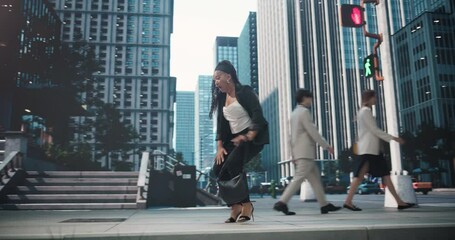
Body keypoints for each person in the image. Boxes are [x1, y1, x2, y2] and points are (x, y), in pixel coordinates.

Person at [210, 60, 269, 223]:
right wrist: (220, 147)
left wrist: (249, 135)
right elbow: (221, 125)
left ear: (228, 77)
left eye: (218, 78)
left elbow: (257, 114)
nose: (216, 82)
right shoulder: (222, 98)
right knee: (218, 168)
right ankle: (235, 206)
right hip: (234, 140)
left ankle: (247, 205)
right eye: (214, 79)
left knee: (234, 164)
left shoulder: (245, 92)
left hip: (251, 136)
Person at [343, 90, 415, 211]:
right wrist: (393, 138)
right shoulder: (366, 111)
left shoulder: (363, 111)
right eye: (374, 97)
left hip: (370, 150)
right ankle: (348, 201)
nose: (376, 99)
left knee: (380, 175)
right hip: (369, 150)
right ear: (369, 98)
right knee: (363, 176)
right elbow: (374, 130)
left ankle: (399, 202)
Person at [273, 89, 341, 215]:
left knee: (315, 180)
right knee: (298, 178)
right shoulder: (304, 112)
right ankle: (282, 202)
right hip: (305, 152)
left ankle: (324, 205)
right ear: (304, 98)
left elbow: (290, 137)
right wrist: (326, 146)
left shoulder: (294, 114)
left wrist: (292, 153)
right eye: (310, 98)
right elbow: (312, 131)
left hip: (300, 152)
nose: (311, 101)